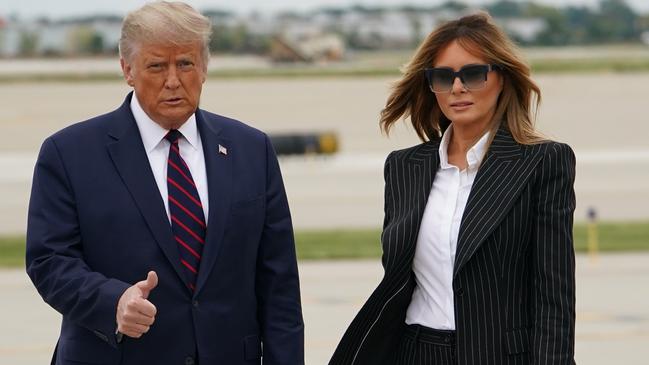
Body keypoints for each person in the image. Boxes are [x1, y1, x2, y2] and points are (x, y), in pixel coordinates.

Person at [25, 2, 303, 364]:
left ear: (203, 67)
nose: (173, 80)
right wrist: (114, 301)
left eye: (185, 63)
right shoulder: (68, 153)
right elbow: (49, 260)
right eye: (156, 66)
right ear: (127, 69)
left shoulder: (252, 149)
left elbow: (279, 284)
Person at [330, 12, 576, 365]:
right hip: (414, 353)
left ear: (502, 78)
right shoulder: (403, 167)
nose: (457, 87)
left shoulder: (543, 162)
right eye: (443, 77)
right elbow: (398, 280)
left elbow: (554, 299)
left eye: (473, 74)